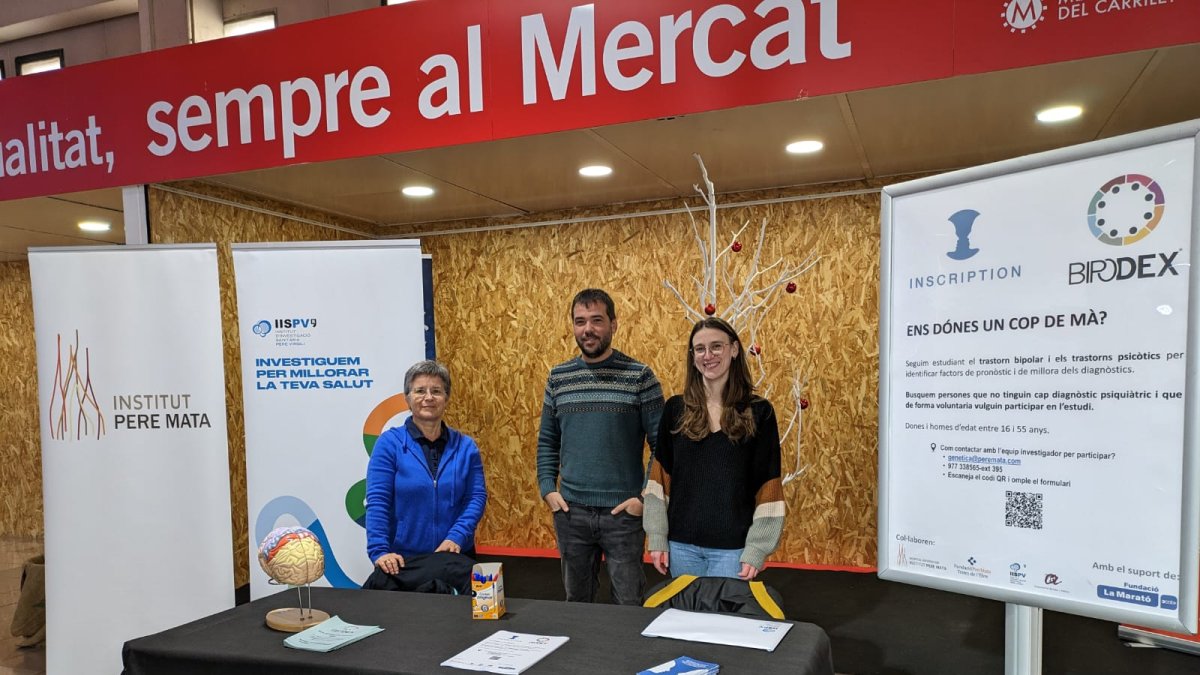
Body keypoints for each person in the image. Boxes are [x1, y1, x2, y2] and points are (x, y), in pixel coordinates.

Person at [537, 288, 664, 604]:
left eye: (596, 320)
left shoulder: (639, 377)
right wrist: (547, 489)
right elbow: (548, 441)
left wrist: (644, 499)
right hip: (571, 513)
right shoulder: (559, 378)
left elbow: (663, 445)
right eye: (580, 322)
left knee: (629, 604)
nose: (587, 329)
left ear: (614, 324)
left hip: (623, 515)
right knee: (577, 604)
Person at [644, 317, 784, 580]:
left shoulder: (759, 413)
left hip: (733, 551)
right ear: (693, 356)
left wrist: (757, 548)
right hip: (681, 547)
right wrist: (657, 536)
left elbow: (769, 488)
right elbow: (658, 482)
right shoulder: (675, 410)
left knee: (725, 621)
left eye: (716, 347)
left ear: (733, 350)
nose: (708, 355)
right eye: (700, 349)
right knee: (688, 621)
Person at [366, 360, 487, 576]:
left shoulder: (466, 447)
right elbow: (378, 501)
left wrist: (456, 537)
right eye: (420, 391)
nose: (428, 398)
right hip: (404, 561)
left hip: (456, 555)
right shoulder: (389, 444)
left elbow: (475, 498)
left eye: (436, 391)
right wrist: (379, 551)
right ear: (408, 398)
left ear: (446, 398)